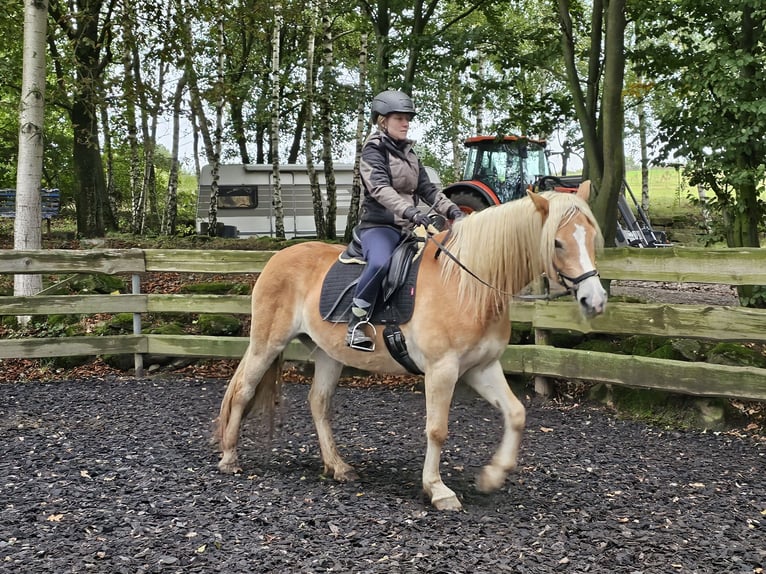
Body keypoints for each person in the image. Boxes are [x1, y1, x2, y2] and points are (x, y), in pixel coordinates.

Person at [346, 89, 465, 350]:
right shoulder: (372, 151)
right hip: (380, 226)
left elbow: (429, 190)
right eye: (399, 118)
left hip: (408, 228)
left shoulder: (410, 154)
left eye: (407, 118)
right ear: (382, 121)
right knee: (380, 262)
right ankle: (357, 321)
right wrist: (410, 211)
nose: (405, 122)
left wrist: (453, 211)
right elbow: (379, 188)